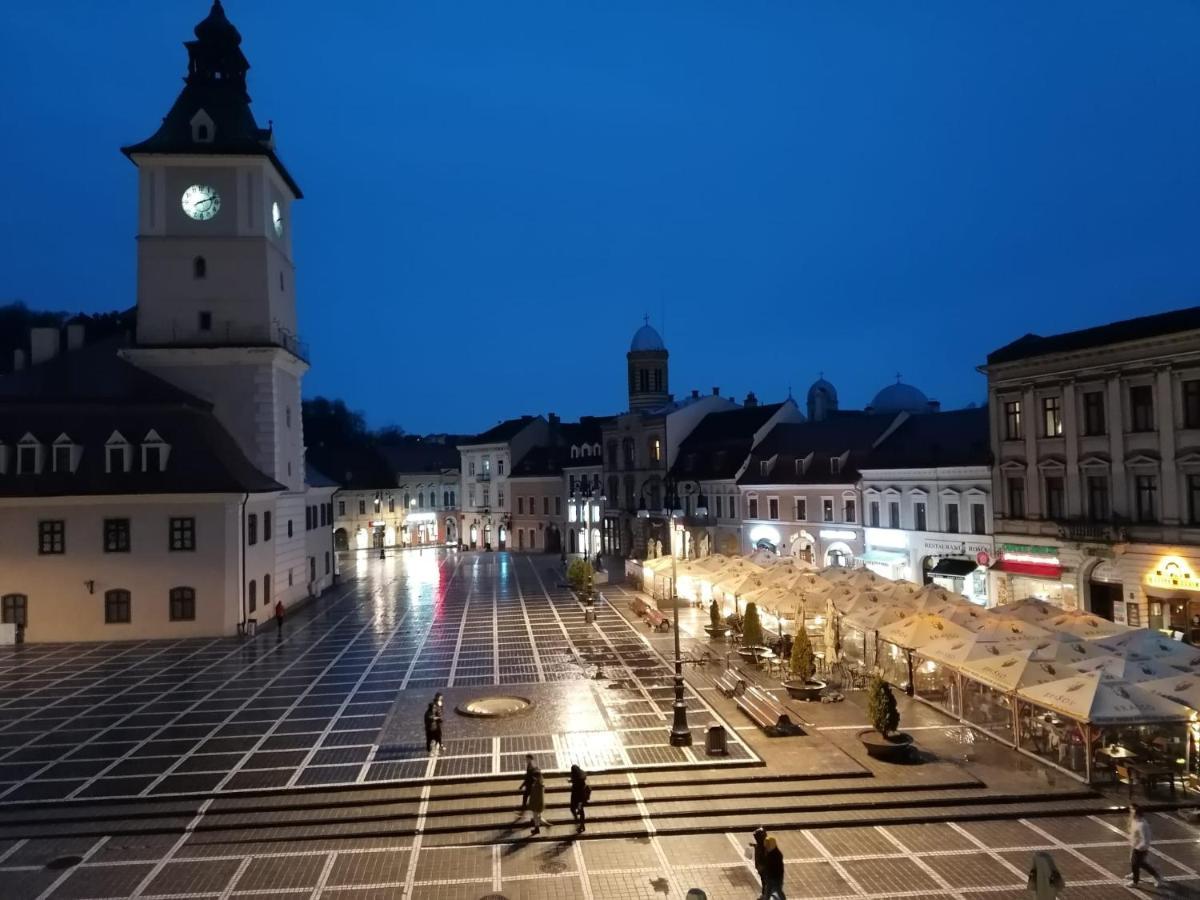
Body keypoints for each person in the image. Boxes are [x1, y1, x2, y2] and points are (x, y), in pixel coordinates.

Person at [1126, 806, 1166, 888]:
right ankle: (1155, 876)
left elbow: (1146, 839)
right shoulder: (1136, 821)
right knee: (1138, 863)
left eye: (1132, 813)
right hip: (1136, 846)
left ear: (1137, 814)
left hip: (1140, 848)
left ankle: (1136, 881)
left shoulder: (1142, 825)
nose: (1131, 814)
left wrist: (1139, 848)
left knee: (1137, 864)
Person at [569, 765, 590, 833]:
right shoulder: (581, 775)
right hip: (580, 799)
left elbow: (576, 785)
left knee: (574, 809)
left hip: (577, 798)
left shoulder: (577, 779)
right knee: (580, 811)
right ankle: (581, 824)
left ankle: (581, 824)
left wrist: (572, 781)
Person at [763, 835, 785, 900]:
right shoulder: (769, 852)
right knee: (768, 891)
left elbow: (776, 868)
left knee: (778, 891)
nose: (766, 846)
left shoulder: (777, 855)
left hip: (776, 878)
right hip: (770, 877)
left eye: (768, 844)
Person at [528, 767, 549, 834]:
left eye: (534, 777)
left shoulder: (538, 785)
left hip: (536, 804)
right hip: (538, 803)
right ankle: (545, 824)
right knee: (538, 816)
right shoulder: (540, 783)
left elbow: (536, 796)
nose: (533, 778)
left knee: (536, 816)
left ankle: (537, 829)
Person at [749, 827, 768, 900]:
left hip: (764, 868)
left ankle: (765, 895)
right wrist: (754, 845)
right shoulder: (762, 844)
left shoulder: (764, 846)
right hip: (761, 867)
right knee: (764, 881)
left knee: (765, 882)